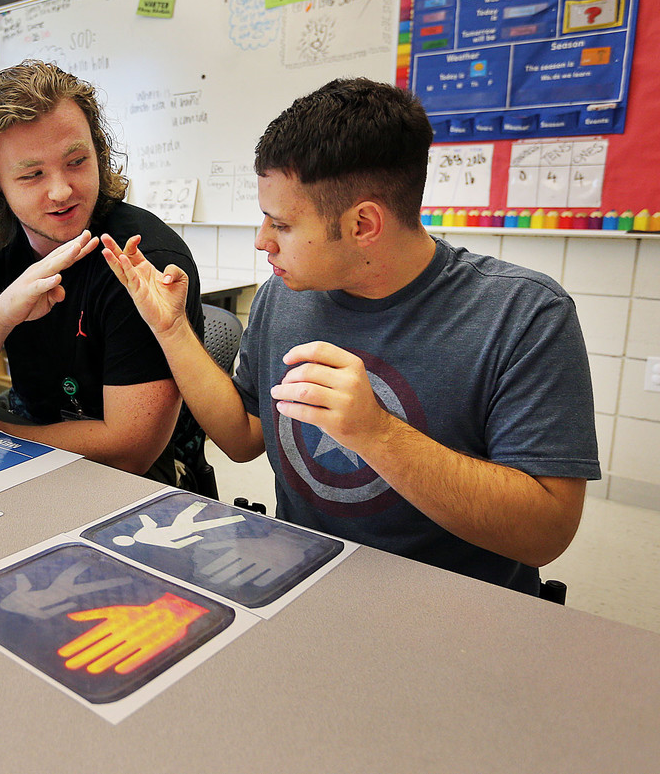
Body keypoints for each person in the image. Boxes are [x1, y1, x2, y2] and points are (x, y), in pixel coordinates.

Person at [102, 77, 599, 594]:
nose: (261, 241)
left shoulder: (524, 314)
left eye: (283, 225)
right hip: (307, 582)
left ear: (363, 223)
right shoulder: (286, 294)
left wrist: (377, 433)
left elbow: (546, 533)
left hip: (456, 607)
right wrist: (173, 329)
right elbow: (243, 437)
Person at [0, 60, 203, 485]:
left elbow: (130, 451)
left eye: (77, 161)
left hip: (137, 483)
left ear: (98, 153)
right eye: (32, 174)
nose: (61, 191)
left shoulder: (143, 258)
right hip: (31, 448)